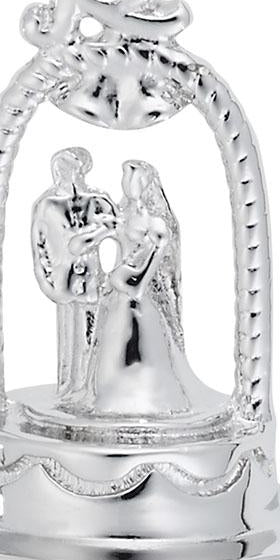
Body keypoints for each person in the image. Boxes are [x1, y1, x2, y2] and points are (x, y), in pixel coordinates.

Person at [63, 160, 220, 419]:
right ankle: (106, 398)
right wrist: (97, 234)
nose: (127, 184)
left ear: (145, 184)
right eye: (125, 178)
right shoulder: (123, 214)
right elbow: (79, 245)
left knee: (140, 346)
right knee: (110, 349)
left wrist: (125, 278)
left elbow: (142, 279)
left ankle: (146, 400)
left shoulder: (157, 225)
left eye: (133, 178)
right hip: (117, 296)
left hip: (138, 300)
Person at [30, 147, 117, 395]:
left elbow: (118, 228)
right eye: (60, 168)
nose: (62, 173)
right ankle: (68, 386)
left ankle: (88, 386)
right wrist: (47, 280)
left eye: (68, 168)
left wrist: (96, 239)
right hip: (62, 280)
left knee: (91, 334)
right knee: (67, 335)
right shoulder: (47, 205)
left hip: (91, 279)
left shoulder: (97, 201)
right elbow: (40, 245)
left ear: (81, 171)